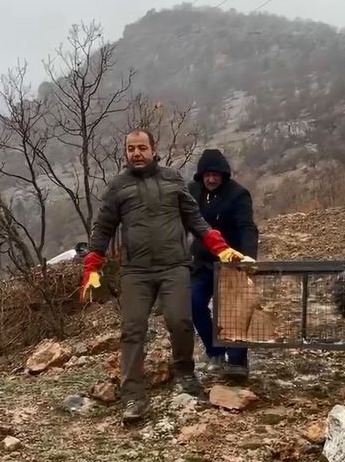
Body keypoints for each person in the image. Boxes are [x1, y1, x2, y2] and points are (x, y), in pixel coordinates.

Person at [80, 130, 250, 423]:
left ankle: (185, 372)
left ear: (153, 149)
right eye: (131, 148)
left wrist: (220, 248)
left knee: (180, 321)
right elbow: (103, 227)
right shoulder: (118, 186)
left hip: (175, 266)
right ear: (126, 152)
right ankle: (133, 395)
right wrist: (92, 265)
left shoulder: (172, 179)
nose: (136, 153)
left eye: (141, 148)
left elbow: (194, 218)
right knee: (133, 329)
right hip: (136, 271)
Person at [188, 149, 259, 382]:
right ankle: (215, 351)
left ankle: (237, 361)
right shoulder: (193, 192)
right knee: (194, 303)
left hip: (232, 262)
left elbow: (247, 228)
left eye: (215, 175)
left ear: (224, 175)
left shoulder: (238, 195)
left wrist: (248, 259)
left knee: (233, 312)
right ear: (201, 176)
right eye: (207, 175)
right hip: (202, 261)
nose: (211, 179)